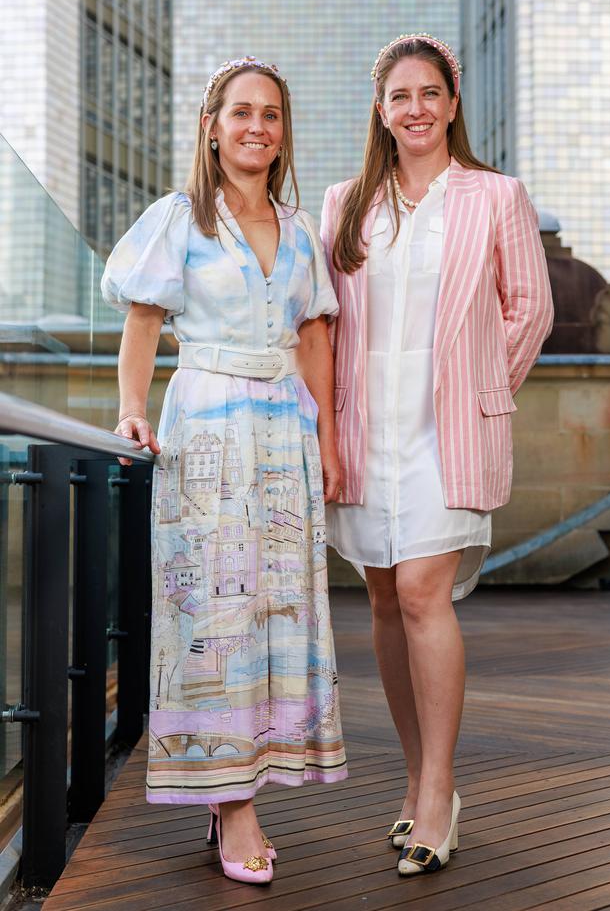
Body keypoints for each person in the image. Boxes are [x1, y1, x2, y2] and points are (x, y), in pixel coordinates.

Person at [101, 56, 347, 886]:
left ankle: (238, 787)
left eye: (271, 114)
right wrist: (132, 406)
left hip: (284, 432)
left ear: (283, 132)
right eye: (240, 112)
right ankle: (234, 804)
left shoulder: (302, 227)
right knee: (211, 609)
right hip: (206, 419)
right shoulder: (179, 219)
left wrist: (330, 440)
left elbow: (314, 337)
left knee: (273, 612)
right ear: (212, 125)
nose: (256, 127)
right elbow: (141, 320)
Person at [321, 34, 553, 877]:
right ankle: (420, 781)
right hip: (363, 423)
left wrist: (480, 388)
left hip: (445, 427)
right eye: (399, 97)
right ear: (380, 111)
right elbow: (327, 322)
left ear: (452, 103)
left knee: (424, 591)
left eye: (429, 93)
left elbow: (527, 307)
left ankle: (439, 788)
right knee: (385, 597)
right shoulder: (347, 203)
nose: (414, 109)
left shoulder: (495, 196)